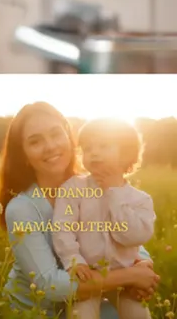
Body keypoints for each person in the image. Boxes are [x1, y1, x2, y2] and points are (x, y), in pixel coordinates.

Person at [0, 103, 159, 316]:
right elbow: (49, 285)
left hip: (91, 295)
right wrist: (130, 276)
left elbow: (118, 233)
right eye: (35, 141)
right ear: (24, 155)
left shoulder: (96, 185)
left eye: (56, 134)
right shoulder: (22, 209)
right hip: (38, 311)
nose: (50, 146)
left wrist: (143, 263)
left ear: (69, 137)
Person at [52, 118, 155, 319]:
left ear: (126, 153)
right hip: (88, 275)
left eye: (103, 146)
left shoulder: (140, 200)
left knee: (138, 314)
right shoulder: (73, 189)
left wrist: (113, 192)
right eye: (88, 148)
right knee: (81, 315)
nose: (94, 153)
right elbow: (62, 228)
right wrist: (74, 261)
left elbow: (133, 237)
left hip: (125, 279)